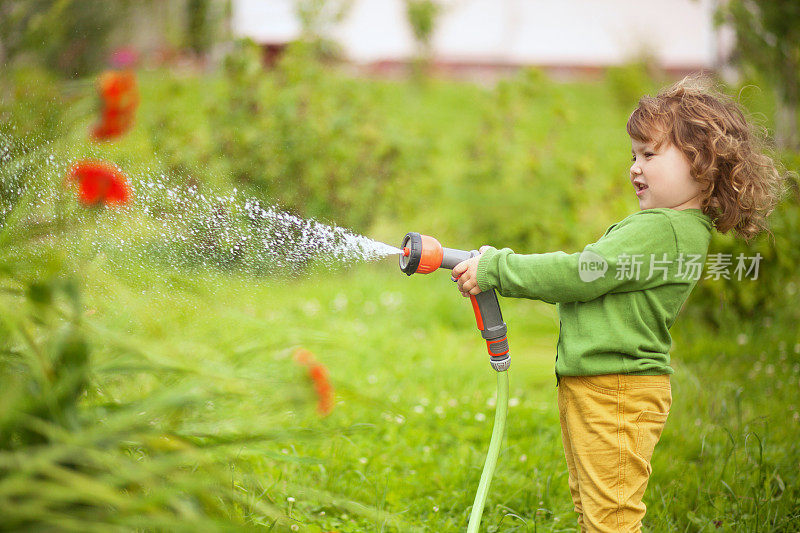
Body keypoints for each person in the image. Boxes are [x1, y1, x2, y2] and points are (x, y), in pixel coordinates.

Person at [451, 75, 787, 532]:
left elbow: (581, 274)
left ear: (702, 162)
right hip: (603, 386)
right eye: (633, 154)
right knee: (598, 509)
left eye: (650, 154)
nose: (635, 166)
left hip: (617, 391)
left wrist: (498, 268)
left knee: (610, 517)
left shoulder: (663, 230)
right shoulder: (670, 228)